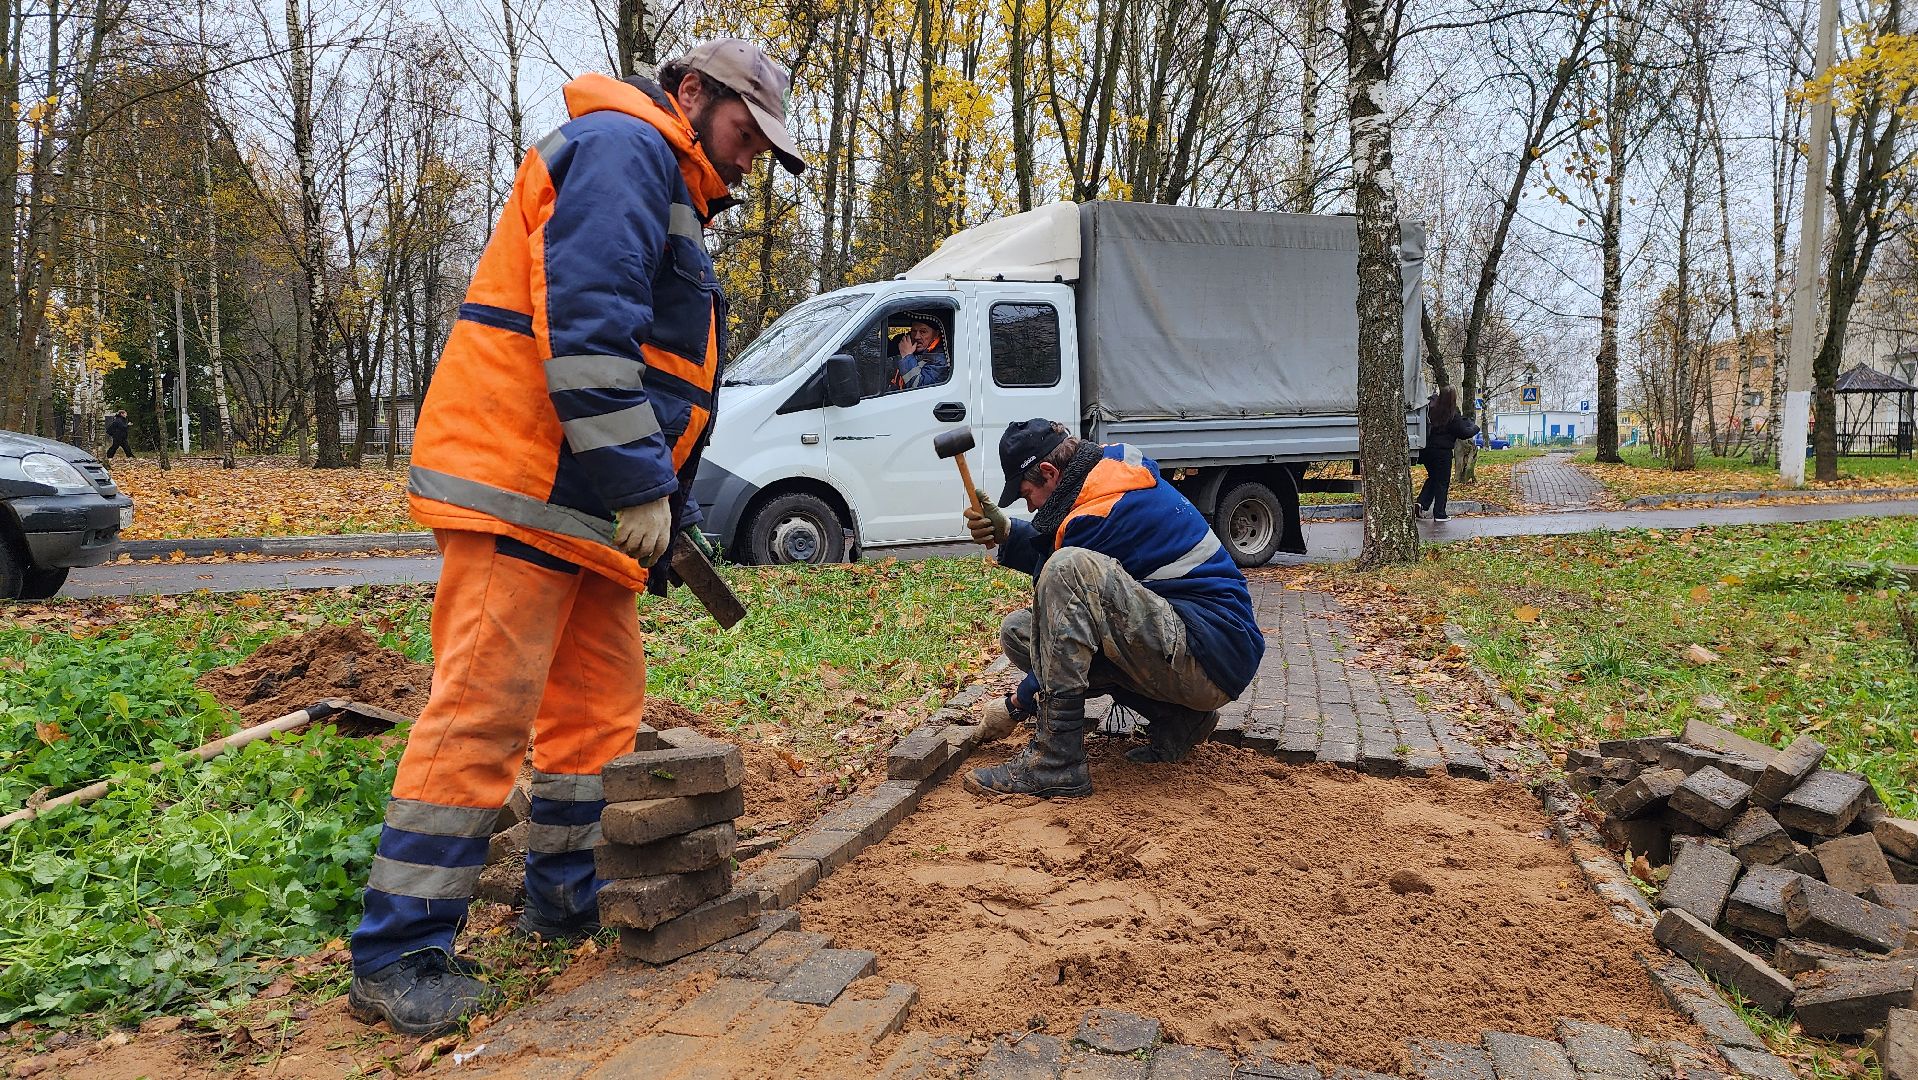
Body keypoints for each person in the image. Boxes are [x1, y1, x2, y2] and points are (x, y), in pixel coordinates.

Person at [346, 39, 805, 1038]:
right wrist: (640, 483)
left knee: (596, 709)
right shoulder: (622, 149)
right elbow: (589, 328)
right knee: (483, 708)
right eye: (744, 132)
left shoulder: (666, 176)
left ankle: (565, 889)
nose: (751, 159)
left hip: (584, 501)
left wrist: (658, 504)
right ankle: (398, 948)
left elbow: (655, 368)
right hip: (525, 484)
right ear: (692, 94)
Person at [960, 419, 1265, 798]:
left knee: (1067, 570)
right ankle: (1180, 719)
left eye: (1026, 495)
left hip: (1211, 654)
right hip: (1206, 645)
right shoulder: (1109, 471)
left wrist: (1016, 703)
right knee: (1021, 633)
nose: (1029, 506)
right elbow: (1060, 555)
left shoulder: (1099, 513)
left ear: (1051, 473)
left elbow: (1060, 581)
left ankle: (1057, 762)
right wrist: (1008, 532)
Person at [1417, 388, 1478, 521]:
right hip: (1442, 453)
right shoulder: (1452, 415)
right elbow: (1463, 433)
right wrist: (1475, 427)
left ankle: (1421, 503)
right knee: (1442, 482)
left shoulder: (1431, 410)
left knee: (1433, 477)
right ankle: (1439, 513)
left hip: (1427, 451)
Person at [888, 314, 949, 391]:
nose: (916, 336)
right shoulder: (907, 348)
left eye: (923, 332)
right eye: (914, 331)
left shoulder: (940, 359)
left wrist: (907, 356)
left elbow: (919, 388)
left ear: (936, 334)